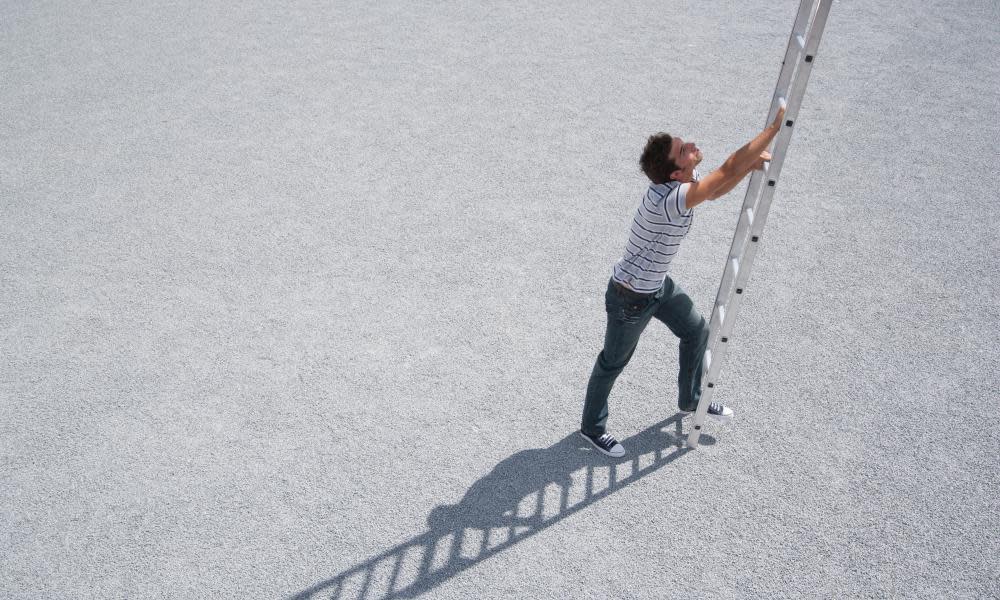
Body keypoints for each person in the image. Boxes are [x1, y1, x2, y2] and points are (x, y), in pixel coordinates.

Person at [579, 105, 786, 458]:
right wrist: (775, 128)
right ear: (676, 173)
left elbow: (717, 187)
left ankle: (690, 399)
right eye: (684, 150)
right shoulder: (670, 199)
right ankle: (591, 428)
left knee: (696, 331)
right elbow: (724, 170)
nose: (691, 145)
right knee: (613, 362)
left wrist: (747, 167)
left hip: (657, 286)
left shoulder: (679, 187)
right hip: (629, 297)